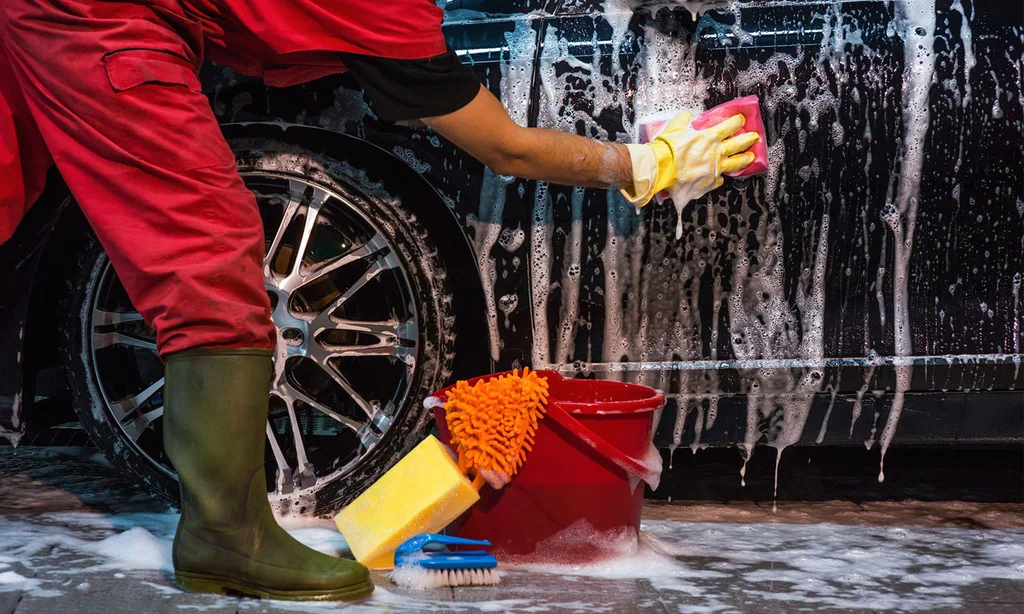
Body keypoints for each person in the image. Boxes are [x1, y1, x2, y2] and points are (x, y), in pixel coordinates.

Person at [0, 0, 758, 602]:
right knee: (206, 244)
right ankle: (224, 535)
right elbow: (506, 147)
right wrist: (645, 163)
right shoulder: (383, 8)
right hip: (97, 17)